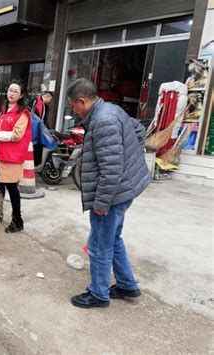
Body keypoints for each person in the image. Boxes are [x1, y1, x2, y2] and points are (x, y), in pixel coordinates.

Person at [66, 79, 151, 309]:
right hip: (124, 189)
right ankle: (126, 285)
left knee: (99, 244)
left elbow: (111, 170)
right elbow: (139, 132)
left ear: (81, 101)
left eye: (73, 105)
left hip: (112, 194)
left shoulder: (103, 121)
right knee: (112, 238)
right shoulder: (112, 109)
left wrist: (101, 203)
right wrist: (129, 157)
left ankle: (98, 294)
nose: (73, 110)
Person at [0, 80, 32, 233]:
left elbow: (17, 134)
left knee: (12, 189)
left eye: (15, 91)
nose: (11, 93)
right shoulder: (4, 110)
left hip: (11, 157)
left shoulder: (22, 113)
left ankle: (17, 221)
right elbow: (0, 127)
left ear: (21, 95)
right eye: (10, 90)